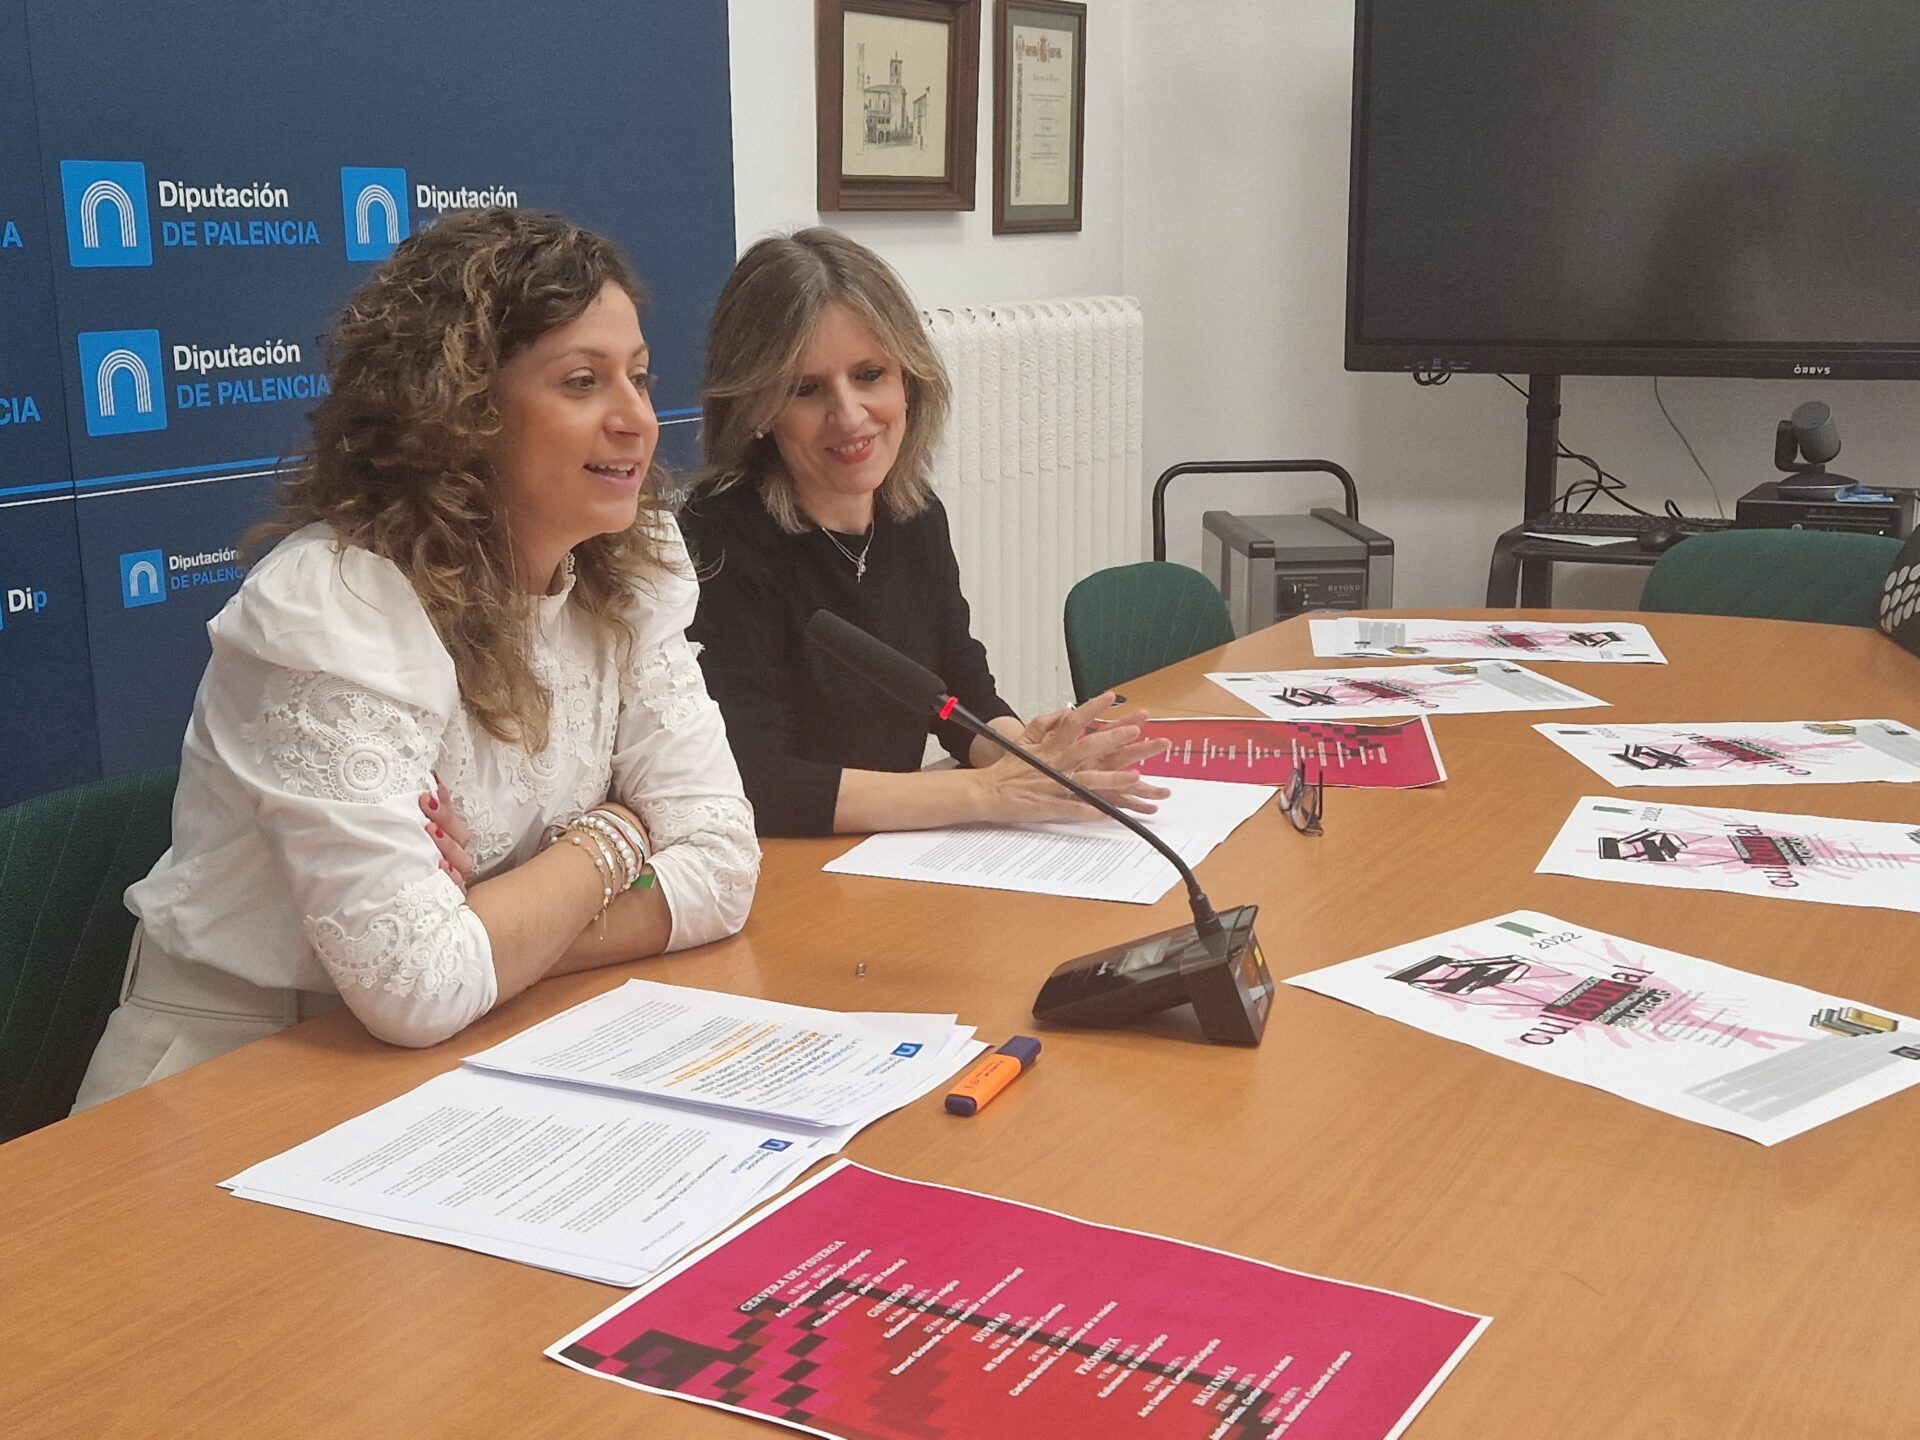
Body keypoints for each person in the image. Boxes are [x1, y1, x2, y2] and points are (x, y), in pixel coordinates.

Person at [74, 210, 759, 1111]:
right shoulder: (335, 607)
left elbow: (723, 869)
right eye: (582, 382)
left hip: (468, 1043)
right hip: (239, 1073)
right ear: (461, 413)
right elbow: (417, 982)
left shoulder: (627, 578)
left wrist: (490, 932)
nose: (637, 419)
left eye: (638, 376)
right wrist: (617, 835)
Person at [680, 228, 1168, 837]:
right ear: (757, 406)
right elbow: (759, 781)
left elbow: (958, 690)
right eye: (806, 389)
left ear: (908, 380)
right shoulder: (717, 536)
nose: (849, 415)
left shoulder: (914, 514)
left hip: (886, 849)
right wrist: (988, 791)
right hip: (781, 861)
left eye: (869, 374)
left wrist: (1032, 757)